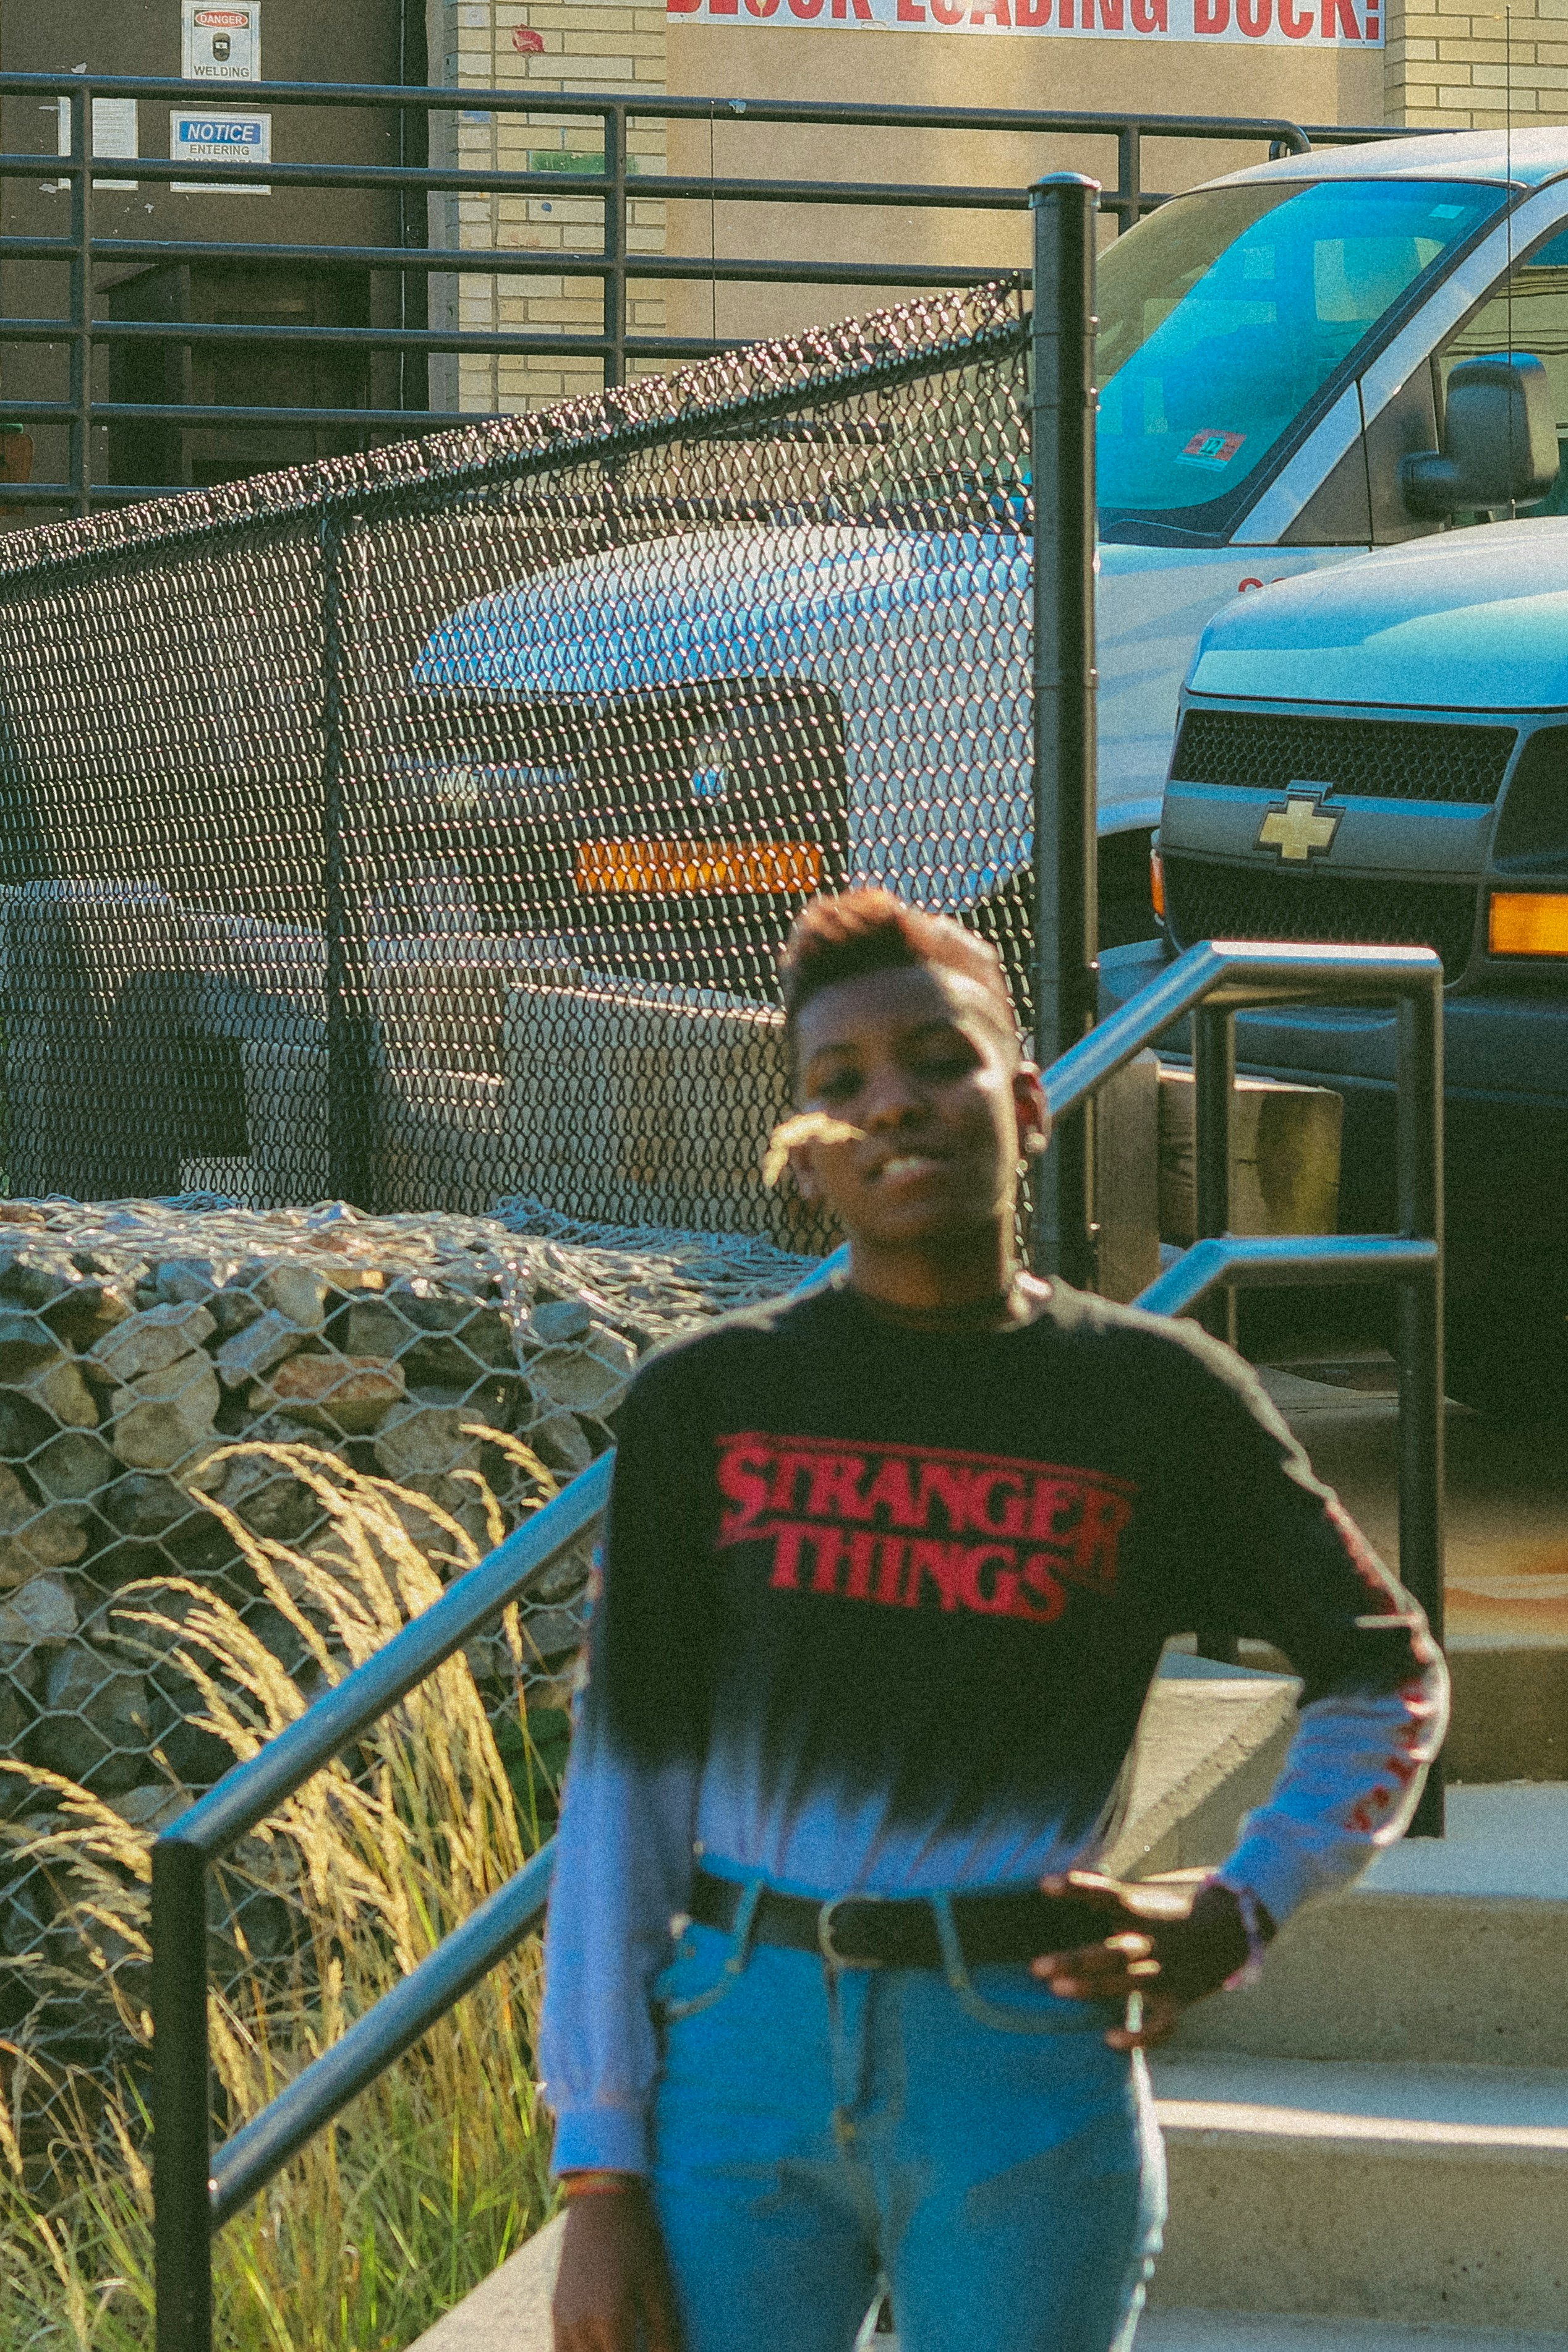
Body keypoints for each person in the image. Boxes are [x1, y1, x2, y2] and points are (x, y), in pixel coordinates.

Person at [539, 887, 1447, 2352]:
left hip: (1018, 2065)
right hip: (734, 2056)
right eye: (840, 1085)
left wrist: (1237, 1905)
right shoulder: (705, 1404)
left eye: (938, 1060)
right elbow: (619, 1789)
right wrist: (599, 2163)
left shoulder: (1154, 1403)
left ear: (1026, 1106)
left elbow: (1381, 1674)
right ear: (803, 1157)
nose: (893, 1103)